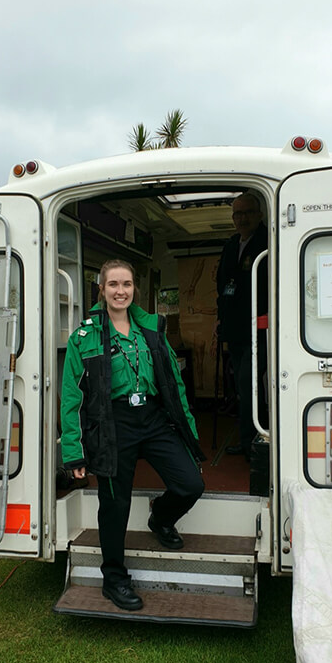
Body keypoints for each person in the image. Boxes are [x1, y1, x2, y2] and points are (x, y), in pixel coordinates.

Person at [60, 259, 205, 611]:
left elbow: (174, 385)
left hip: (153, 418)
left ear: (134, 289)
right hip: (113, 424)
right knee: (115, 505)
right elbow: (71, 397)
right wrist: (73, 453)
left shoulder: (151, 328)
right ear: (102, 290)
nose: (120, 291)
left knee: (190, 484)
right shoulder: (84, 336)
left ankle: (161, 516)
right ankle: (114, 579)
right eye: (113, 285)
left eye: (126, 284)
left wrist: (191, 437)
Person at [216, 193, 268, 461]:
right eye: (237, 214)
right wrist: (221, 318)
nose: (242, 218)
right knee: (241, 386)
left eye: (247, 212)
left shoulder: (268, 240)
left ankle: (253, 443)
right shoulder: (230, 245)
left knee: (250, 386)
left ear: (259, 214)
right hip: (234, 329)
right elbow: (221, 284)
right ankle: (248, 438)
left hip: (259, 329)